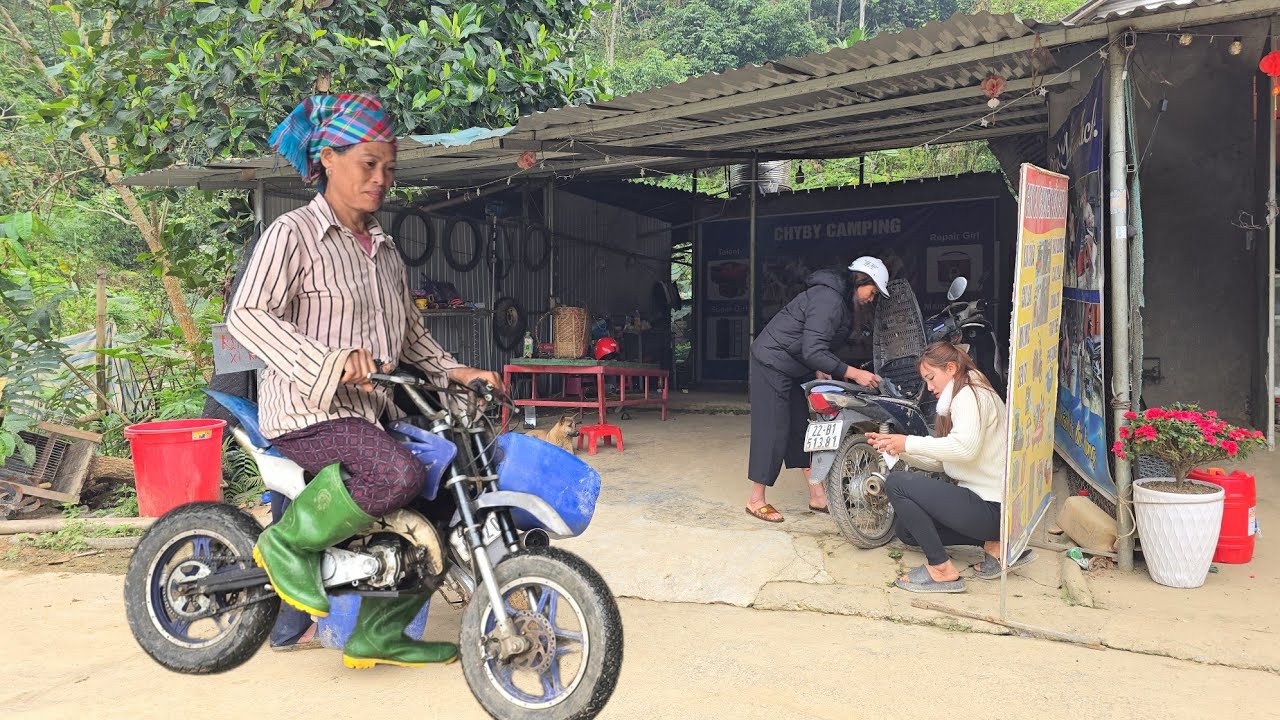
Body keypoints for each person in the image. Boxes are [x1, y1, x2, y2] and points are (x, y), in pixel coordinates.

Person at [227, 94, 502, 668]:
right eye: (369, 164)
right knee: (397, 473)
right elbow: (247, 316)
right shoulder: (293, 234)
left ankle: (379, 633)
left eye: (389, 168)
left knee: (441, 497)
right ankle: (286, 543)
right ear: (329, 158)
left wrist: (456, 371)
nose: (381, 179)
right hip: (307, 413)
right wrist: (328, 361)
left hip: (370, 415)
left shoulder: (384, 249)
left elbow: (410, 338)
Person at [866, 342, 1034, 594]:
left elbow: (964, 449)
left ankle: (941, 570)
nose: (929, 387)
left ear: (951, 368)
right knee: (906, 531)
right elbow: (944, 461)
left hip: (994, 507)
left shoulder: (970, 395)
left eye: (931, 378)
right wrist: (899, 449)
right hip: (992, 511)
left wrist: (908, 442)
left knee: (897, 483)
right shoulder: (967, 393)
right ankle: (995, 543)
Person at [744, 256, 889, 523]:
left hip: (792, 364)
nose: (873, 298)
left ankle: (817, 496)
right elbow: (813, 350)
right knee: (774, 428)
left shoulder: (840, 301)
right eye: (873, 291)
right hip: (771, 360)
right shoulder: (829, 299)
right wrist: (854, 373)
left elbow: (814, 345)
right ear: (861, 281)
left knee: (802, 429)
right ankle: (756, 500)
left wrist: (821, 366)